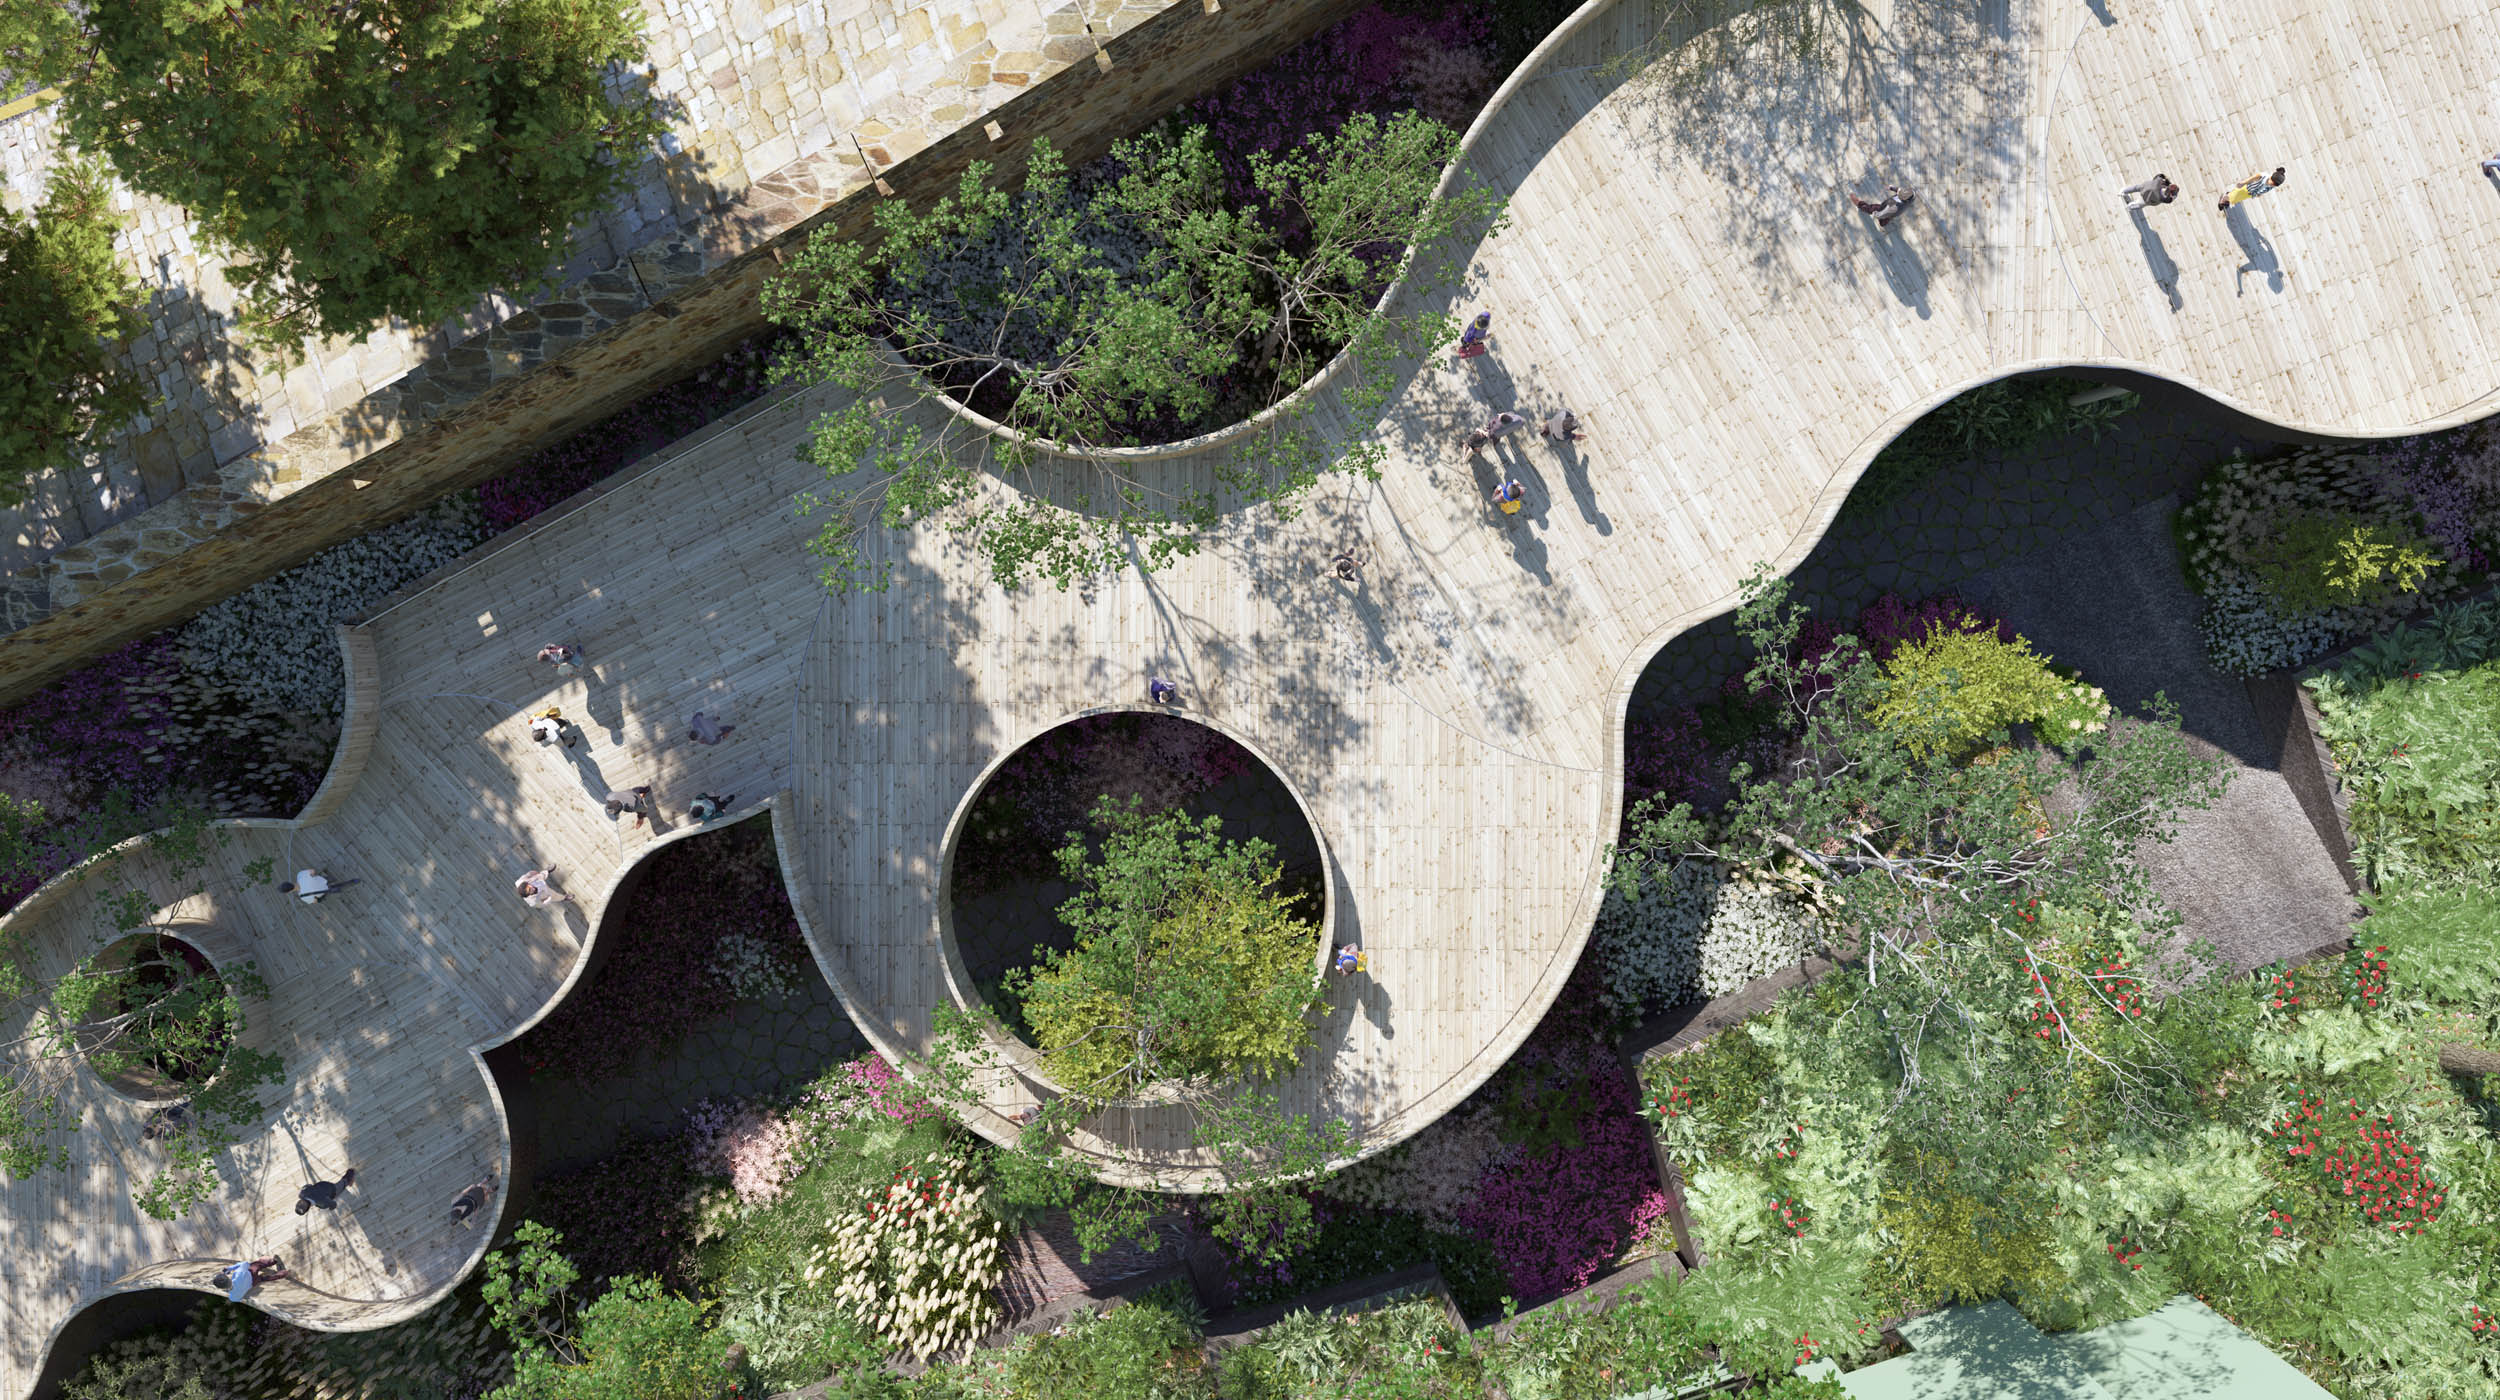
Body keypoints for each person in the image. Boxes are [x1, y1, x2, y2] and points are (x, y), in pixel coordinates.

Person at [1848, 184, 1916, 228]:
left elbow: (1881, 213)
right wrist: (1891, 187)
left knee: (1872, 209)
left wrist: (1876, 214)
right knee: (1884, 220)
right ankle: (1883, 221)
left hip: (1888, 209)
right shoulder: (1911, 195)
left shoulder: (1897, 206)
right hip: (1890, 207)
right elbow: (1899, 190)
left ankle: (1858, 203)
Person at [219, 1256, 285, 1300]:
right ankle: (273, 1261)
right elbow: (245, 1264)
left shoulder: (232, 1298)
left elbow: (238, 1298)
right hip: (251, 1273)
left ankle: (283, 1273)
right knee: (257, 1264)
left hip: (252, 1283)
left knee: (263, 1278)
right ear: (227, 1278)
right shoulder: (238, 1274)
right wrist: (230, 1268)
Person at [278, 869, 357, 904]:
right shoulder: (300, 875)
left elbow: (315, 901)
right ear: (289, 882)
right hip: (322, 880)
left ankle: (353, 882)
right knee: (325, 879)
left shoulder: (303, 897)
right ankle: (332, 878)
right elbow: (313, 871)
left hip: (325, 890)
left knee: (338, 887)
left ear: (289, 891)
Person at [2219, 167, 2284, 210]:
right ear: (2272, 177)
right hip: (2246, 188)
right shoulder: (2264, 176)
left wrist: (2259, 194)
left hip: (2250, 194)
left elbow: (2265, 190)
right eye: (2272, 183)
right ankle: (2223, 199)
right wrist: (2243, 183)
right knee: (2232, 196)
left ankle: (2229, 199)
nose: (2272, 185)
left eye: (2274, 185)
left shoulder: (2272, 186)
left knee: (2237, 198)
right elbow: (2252, 178)